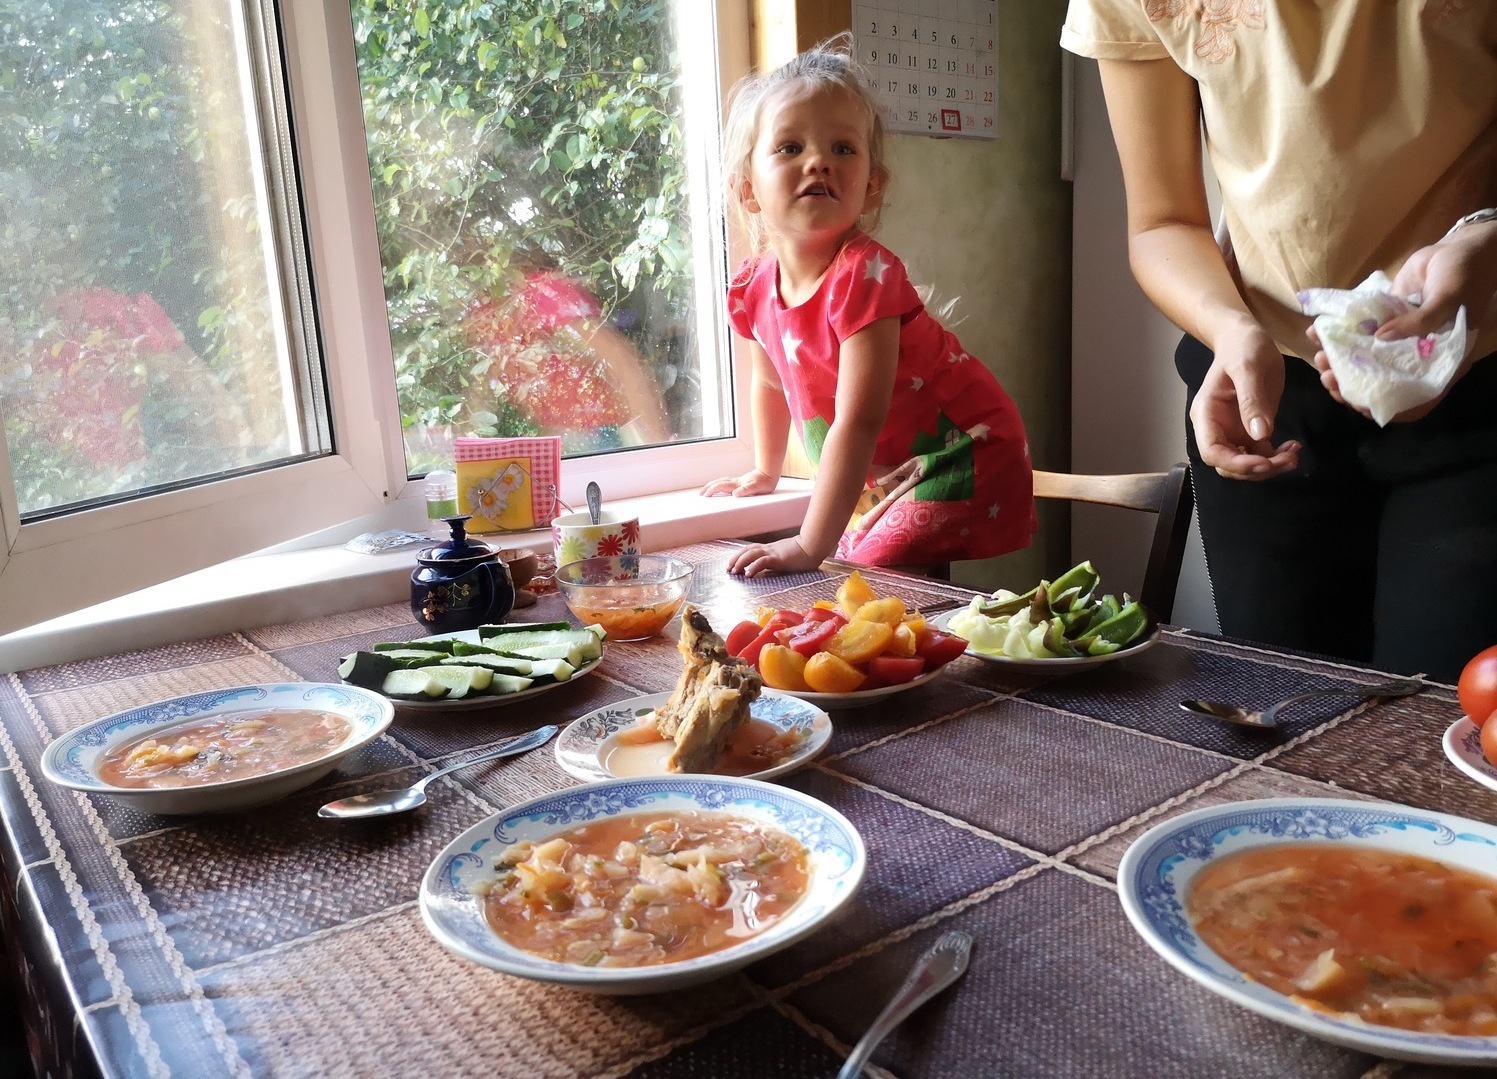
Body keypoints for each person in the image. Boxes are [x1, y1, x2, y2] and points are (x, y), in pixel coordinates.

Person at [1060, 2, 1497, 683]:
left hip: (1479, 377)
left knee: (1442, 736)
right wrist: (1227, 329)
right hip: (1259, 385)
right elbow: (1162, 222)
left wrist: (1484, 236)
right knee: (1290, 714)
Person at [703, 38, 1035, 578]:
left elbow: (858, 422)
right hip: (890, 467)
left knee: (869, 572)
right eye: (790, 148)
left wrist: (809, 546)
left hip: (964, 450)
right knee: (869, 584)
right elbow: (770, 385)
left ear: (871, 185)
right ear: (747, 190)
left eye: (843, 149)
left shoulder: (865, 275)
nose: (818, 162)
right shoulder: (753, 289)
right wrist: (765, 470)